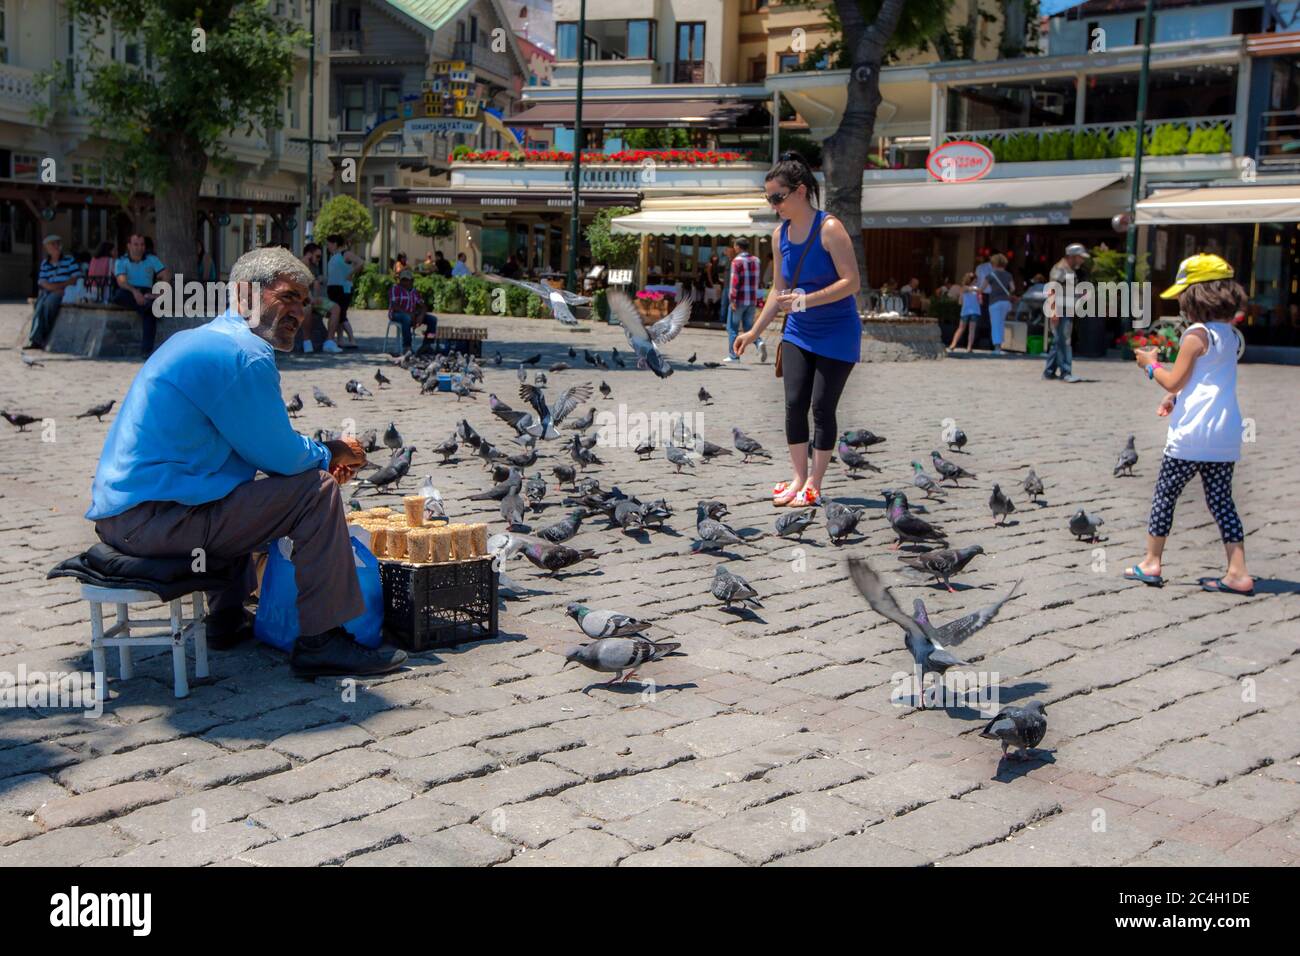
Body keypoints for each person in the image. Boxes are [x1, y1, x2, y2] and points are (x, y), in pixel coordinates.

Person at [87, 246, 406, 677]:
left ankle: (225, 618)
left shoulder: (200, 339)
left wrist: (311, 459)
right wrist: (332, 453)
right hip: (153, 522)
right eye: (287, 296)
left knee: (245, 487)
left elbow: (260, 455)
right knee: (315, 495)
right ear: (245, 294)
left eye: (304, 301)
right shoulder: (242, 352)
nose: (298, 311)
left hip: (131, 519)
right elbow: (281, 455)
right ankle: (322, 639)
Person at [733, 151, 861, 509]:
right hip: (799, 332)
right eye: (768, 198)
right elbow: (779, 289)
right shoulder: (780, 234)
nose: (774, 205)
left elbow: (852, 283)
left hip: (837, 332)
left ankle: (815, 484)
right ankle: (798, 478)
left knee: (821, 407)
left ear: (800, 191)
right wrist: (753, 331)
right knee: (793, 405)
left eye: (778, 197)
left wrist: (807, 300)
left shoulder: (830, 228)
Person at [1126, 254, 1252, 597]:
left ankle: (1151, 562)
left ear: (1196, 297)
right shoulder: (1232, 336)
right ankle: (1237, 571)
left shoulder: (1196, 334)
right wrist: (1178, 398)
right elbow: (1204, 382)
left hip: (1192, 434)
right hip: (1224, 432)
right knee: (1222, 501)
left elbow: (1173, 379)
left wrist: (1150, 364)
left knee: (1165, 495)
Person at [112, 233, 171, 357]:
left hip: (147, 291)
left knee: (149, 311)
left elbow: (165, 274)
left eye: (142, 244)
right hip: (128, 290)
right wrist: (135, 292)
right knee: (119, 296)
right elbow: (121, 281)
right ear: (129, 246)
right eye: (136, 244)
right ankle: (149, 307)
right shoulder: (121, 261)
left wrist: (158, 293)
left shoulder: (152, 259)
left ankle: (146, 351)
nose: (139, 247)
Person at [25, 235, 81, 349]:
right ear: (48, 248)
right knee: (38, 308)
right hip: (50, 291)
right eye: (52, 244)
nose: (56, 247)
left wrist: (59, 287)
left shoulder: (69, 260)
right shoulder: (45, 263)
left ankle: (40, 337)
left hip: (63, 292)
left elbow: (75, 278)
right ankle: (35, 339)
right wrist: (56, 287)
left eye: (57, 244)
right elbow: (42, 281)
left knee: (49, 304)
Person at [1044, 242, 1088, 383]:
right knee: (1064, 342)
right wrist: (1053, 312)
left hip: (1066, 309)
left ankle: (1049, 371)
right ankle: (1065, 372)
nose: (1082, 260)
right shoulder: (1060, 269)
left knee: (1058, 341)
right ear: (1073, 256)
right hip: (1060, 310)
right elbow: (1052, 289)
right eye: (1080, 257)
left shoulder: (1068, 269)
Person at [722, 238, 760, 362]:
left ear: (738, 247)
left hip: (739, 300)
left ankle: (734, 355)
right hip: (752, 300)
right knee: (749, 327)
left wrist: (732, 300)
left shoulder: (736, 261)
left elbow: (734, 282)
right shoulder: (756, 260)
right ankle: (759, 343)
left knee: (732, 328)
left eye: (734, 246)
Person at [324, 234, 361, 352]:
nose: (327, 246)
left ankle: (352, 339)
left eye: (329, 244)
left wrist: (351, 274)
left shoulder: (345, 254)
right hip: (333, 288)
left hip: (343, 288)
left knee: (342, 314)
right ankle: (340, 339)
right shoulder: (334, 256)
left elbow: (360, 262)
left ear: (334, 243)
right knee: (337, 315)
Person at [982, 253, 1015, 355]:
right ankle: (1001, 346)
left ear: (994, 263)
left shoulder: (991, 275)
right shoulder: (1008, 275)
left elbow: (982, 288)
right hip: (1006, 302)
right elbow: (1013, 288)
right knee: (1002, 323)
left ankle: (997, 347)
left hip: (994, 302)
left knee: (996, 324)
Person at [387, 271, 422, 354]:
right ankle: (407, 347)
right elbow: (394, 306)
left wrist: (421, 315)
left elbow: (422, 306)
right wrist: (408, 314)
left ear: (412, 281)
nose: (404, 282)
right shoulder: (395, 289)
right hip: (396, 314)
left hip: (412, 314)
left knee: (432, 319)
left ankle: (428, 344)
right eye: (403, 280)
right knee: (406, 318)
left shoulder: (414, 291)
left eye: (407, 280)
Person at [947, 271, 981, 353]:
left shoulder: (963, 288)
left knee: (961, 328)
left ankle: (953, 345)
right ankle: (969, 347)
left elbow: (960, 301)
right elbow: (980, 301)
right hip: (975, 310)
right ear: (973, 280)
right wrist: (977, 291)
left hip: (965, 310)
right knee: (972, 330)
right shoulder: (977, 289)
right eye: (976, 280)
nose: (977, 281)